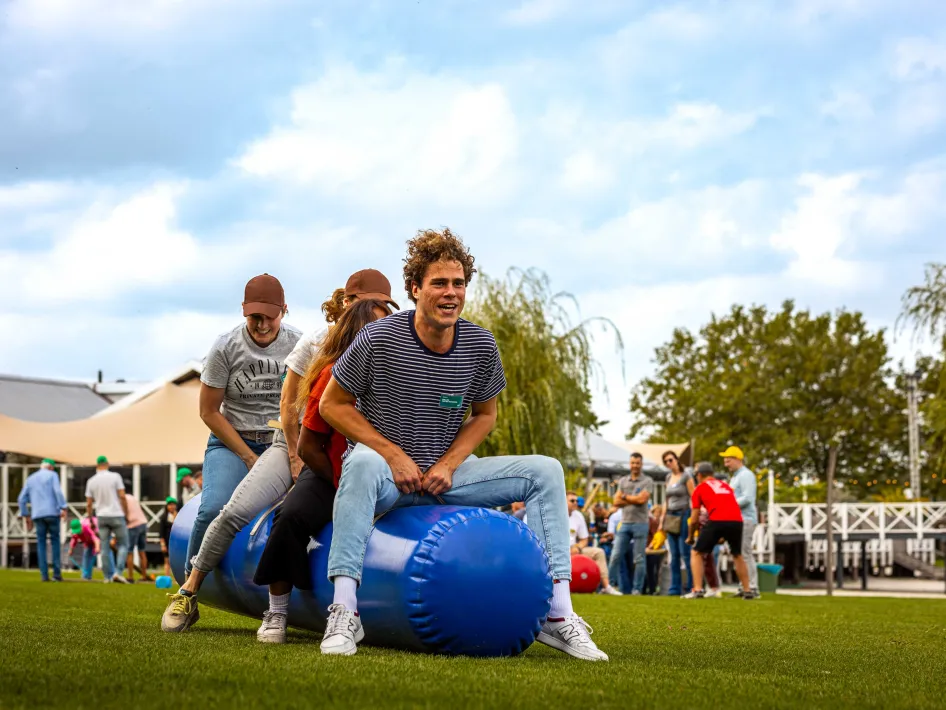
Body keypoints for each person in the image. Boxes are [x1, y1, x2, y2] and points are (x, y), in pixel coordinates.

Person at [318, 228, 608, 661]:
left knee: (546, 469)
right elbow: (331, 405)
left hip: (443, 476)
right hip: (386, 475)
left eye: (458, 284)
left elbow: (485, 414)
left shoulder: (480, 344)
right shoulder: (379, 338)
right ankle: (344, 610)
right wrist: (392, 455)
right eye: (439, 283)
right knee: (360, 464)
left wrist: (450, 463)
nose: (450, 293)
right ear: (415, 289)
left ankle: (558, 615)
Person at [162, 271, 397, 633]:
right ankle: (190, 589)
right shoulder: (316, 342)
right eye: (363, 303)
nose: (260, 323)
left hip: (349, 455)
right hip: (294, 442)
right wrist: (293, 458)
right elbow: (288, 406)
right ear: (346, 303)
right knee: (231, 510)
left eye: (380, 305)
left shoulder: (395, 341)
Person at [252, 298, 393, 643]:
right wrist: (341, 488)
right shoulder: (331, 375)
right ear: (354, 333)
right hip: (329, 471)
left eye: (389, 329)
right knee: (290, 517)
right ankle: (277, 610)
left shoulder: (400, 376)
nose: (383, 336)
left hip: (385, 475)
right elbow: (308, 447)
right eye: (375, 329)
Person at [181, 273, 301, 588]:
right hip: (233, 440)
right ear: (243, 311)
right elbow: (208, 411)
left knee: (294, 513)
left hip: (283, 442)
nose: (262, 325)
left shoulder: (299, 344)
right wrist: (247, 456)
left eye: (270, 317)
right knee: (212, 509)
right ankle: (189, 589)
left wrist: (295, 450)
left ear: (284, 310)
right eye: (254, 317)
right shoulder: (225, 347)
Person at [683, 462, 752, 599]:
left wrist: (690, 537)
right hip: (737, 520)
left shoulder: (700, 488)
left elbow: (694, 519)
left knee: (696, 552)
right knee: (737, 554)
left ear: (700, 475)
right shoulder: (726, 486)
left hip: (717, 519)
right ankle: (747, 590)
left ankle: (697, 590)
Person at [609, 452, 653, 595]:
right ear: (630, 464)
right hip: (625, 522)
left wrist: (624, 497)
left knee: (639, 558)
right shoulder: (623, 481)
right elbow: (615, 502)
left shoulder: (647, 481)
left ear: (641, 464)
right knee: (616, 554)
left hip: (641, 523)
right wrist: (633, 498)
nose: (635, 465)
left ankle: (637, 589)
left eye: (637, 463)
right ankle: (609, 586)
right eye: (633, 463)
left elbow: (642, 500)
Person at [17, 459, 68, 582]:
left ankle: (44, 575)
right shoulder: (53, 475)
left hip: (37, 514)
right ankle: (56, 574)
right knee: (55, 541)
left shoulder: (30, 478)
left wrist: (26, 515)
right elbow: (57, 491)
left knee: (41, 544)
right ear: (50, 467)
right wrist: (63, 507)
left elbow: (21, 499)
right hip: (52, 513)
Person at [85, 455, 131, 584]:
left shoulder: (91, 481)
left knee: (104, 547)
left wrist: (90, 519)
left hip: (101, 516)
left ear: (97, 465)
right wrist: (126, 514)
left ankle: (107, 577)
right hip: (116, 514)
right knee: (123, 544)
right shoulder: (115, 477)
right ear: (107, 464)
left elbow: (89, 503)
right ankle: (119, 572)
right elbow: (122, 496)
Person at [566, 491, 622, 596]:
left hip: (574, 548)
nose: (575, 503)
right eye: (572, 500)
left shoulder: (578, 516)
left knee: (599, 552)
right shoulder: (555, 515)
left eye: (576, 500)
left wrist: (578, 547)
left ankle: (606, 587)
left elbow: (584, 539)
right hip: (558, 551)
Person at [721, 446, 760, 598]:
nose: (726, 463)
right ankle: (744, 587)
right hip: (737, 520)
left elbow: (748, 498)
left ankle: (752, 587)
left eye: (728, 460)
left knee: (745, 553)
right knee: (738, 553)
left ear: (738, 459)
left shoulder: (746, 475)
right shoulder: (736, 476)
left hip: (746, 519)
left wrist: (727, 505)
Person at [660, 450, 695, 596]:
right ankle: (674, 587)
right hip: (670, 516)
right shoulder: (668, 477)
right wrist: (662, 519)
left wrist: (694, 517)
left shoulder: (686, 475)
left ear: (676, 459)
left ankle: (692, 586)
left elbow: (693, 496)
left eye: (670, 460)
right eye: (666, 461)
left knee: (685, 552)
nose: (669, 463)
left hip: (683, 514)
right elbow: (666, 500)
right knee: (673, 554)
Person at [123, 487, 153, 583]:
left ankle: (130, 577)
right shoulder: (132, 498)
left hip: (132, 525)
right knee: (142, 551)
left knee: (129, 551)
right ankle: (144, 576)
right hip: (143, 523)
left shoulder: (121, 499)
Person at [644, 504, 667, 595]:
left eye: (659, 512)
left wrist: (650, 546)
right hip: (649, 549)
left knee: (653, 570)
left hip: (654, 549)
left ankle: (652, 589)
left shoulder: (653, 522)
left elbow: (656, 536)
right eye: (656, 512)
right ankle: (648, 588)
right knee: (649, 570)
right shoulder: (651, 521)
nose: (657, 514)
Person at [159, 498, 178, 576]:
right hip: (167, 542)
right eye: (170, 505)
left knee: (176, 561)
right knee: (167, 560)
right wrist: (163, 545)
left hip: (176, 542)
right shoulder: (164, 518)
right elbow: (161, 532)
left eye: (173, 505)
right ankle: (167, 577)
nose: (171, 507)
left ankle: (177, 578)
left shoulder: (179, 516)